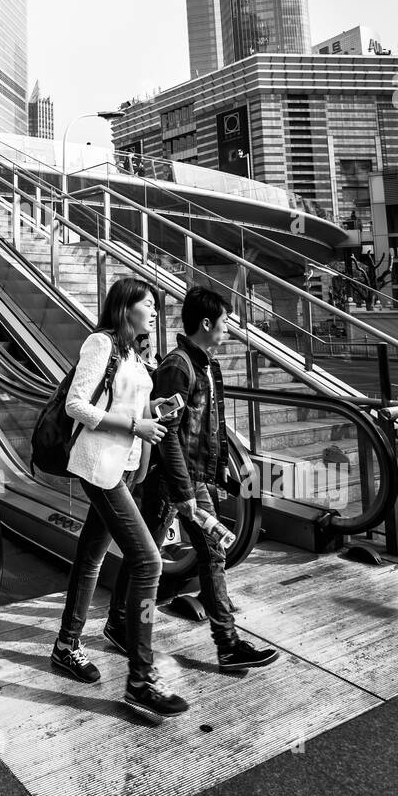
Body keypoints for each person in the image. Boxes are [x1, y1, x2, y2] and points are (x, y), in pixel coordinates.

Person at [51, 279, 188, 724]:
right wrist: (134, 425)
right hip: (98, 466)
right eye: (147, 304)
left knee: (91, 557)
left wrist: (156, 409)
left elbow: (137, 411)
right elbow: (77, 406)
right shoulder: (101, 343)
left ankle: (66, 645)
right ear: (124, 307)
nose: (154, 311)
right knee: (148, 562)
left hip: (124, 467)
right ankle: (141, 679)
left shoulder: (133, 354)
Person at [143, 285, 278, 672]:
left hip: (195, 479)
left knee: (209, 554)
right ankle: (125, 624)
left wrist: (221, 475)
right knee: (147, 559)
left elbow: (208, 429)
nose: (228, 330)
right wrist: (185, 489)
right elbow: (167, 432)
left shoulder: (204, 365)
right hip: (173, 482)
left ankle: (227, 643)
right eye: (224, 323)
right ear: (206, 324)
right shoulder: (177, 367)